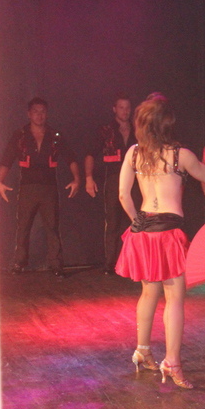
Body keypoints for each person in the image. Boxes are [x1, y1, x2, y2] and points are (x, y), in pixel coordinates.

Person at [114, 93, 205, 387]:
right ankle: (172, 362)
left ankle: (142, 351)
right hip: (168, 233)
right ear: (167, 123)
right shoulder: (180, 155)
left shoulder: (134, 153)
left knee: (148, 293)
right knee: (174, 298)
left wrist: (137, 221)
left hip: (143, 232)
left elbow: (124, 195)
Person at [0, 97, 81, 277]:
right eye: (35, 111)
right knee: (23, 226)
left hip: (49, 187)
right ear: (29, 114)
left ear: (47, 114)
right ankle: (19, 262)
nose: (39, 115)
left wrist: (77, 179)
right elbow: (7, 159)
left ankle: (55, 264)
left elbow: (71, 157)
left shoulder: (54, 135)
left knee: (52, 227)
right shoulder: (20, 135)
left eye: (42, 111)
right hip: (27, 187)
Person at [84, 94, 141, 274]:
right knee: (113, 222)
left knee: (135, 220)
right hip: (113, 179)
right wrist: (88, 178)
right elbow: (90, 154)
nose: (125, 111)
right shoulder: (106, 130)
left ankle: (134, 263)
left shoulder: (138, 129)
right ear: (114, 109)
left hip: (136, 180)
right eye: (121, 107)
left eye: (127, 108)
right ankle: (110, 263)